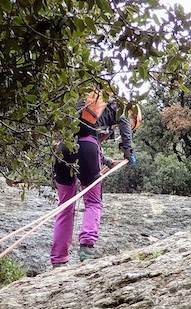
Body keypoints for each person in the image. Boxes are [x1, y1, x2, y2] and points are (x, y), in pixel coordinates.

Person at [50, 90, 137, 267]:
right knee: (93, 202)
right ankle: (87, 248)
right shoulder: (116, 105)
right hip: (87, 148)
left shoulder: (85, 105)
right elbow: (121, 123)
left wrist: (105, 161)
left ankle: (59, 259)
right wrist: (129, 152)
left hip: (61, 149)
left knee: (65, 206)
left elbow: (83, 138)